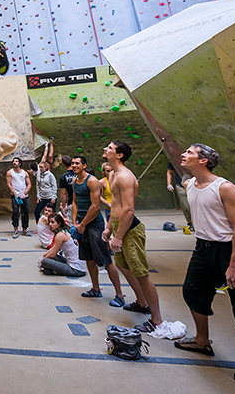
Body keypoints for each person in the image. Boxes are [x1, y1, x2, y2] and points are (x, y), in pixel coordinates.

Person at [176, 144, 235, 387]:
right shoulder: (189, 185)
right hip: (203, 248)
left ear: (204, 161)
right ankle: (201, 341)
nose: (184, 154)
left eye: (190, 152)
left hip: (229, 250)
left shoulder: (225, 188)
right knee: (192, 292)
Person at [102, 140, 163, 333]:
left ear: (119, 155)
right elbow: (115, 206)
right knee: (122, 264)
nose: (106, 149)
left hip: (130, 229)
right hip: (119, 226)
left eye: (110, 148)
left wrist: (118, 237)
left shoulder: (126, 177)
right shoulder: (112, 174)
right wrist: (109, 228)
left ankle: (157, 320)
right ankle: (141, 302)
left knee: (141, 273)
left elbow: (128, 210)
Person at [70, 155, 125, 305]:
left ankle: (119, 294)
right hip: (81, 224)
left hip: (94, 224)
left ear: (84, 165)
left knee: (106, 259)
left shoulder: (92, 181)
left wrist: (83, 225)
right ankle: (95, 288)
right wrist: (75, 222)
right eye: (73, 163)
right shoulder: (75, 181)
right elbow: (74, 202)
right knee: (88, 258)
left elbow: (95, 207)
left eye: (77, 163)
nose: (74, 165)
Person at [39, 213, 87, 278]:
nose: (50, 224)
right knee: (52, 258)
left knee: (45, 261)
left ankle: (49, 269)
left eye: (52, 222)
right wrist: (44, 255)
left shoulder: (60, 235)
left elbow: (52, 254)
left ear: (59, 224)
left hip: (76, 270)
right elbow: (54, 248)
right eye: (49, 222)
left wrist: (42, 261)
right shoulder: (64, 231)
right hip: (76, 265)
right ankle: (50, 269)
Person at [6, 157, 31, 238]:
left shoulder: (25, 173)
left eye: (16, 161)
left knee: (25, 213)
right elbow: (9, 184)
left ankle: (25, 230)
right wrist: (15, 194)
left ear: (20, 163)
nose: (14, 163)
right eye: (13, 161)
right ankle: (16, 231)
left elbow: (29, 184)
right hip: (15, 196)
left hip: (24, 196)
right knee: (15, 212)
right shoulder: (10, 172)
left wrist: (25, 193)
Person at [33, 144, 58, 220]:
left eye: (41, 167)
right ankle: (40, 226)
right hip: (42, 197)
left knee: (51, 214)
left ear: (46, 167)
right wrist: (38, 197)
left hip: (50, 196)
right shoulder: (38, 174)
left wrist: (53, 197)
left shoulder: (50, 175)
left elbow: (54, 186)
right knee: (36, 212)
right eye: (39, 167)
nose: (40, 169)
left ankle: (52, 228)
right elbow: (37, 185)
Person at [167, 161, 192, 227]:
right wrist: (169, 184)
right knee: (186, 206)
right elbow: (169, 172)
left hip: (193, 185)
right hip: (180, 185)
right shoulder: (173, 159)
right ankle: (190, 223)